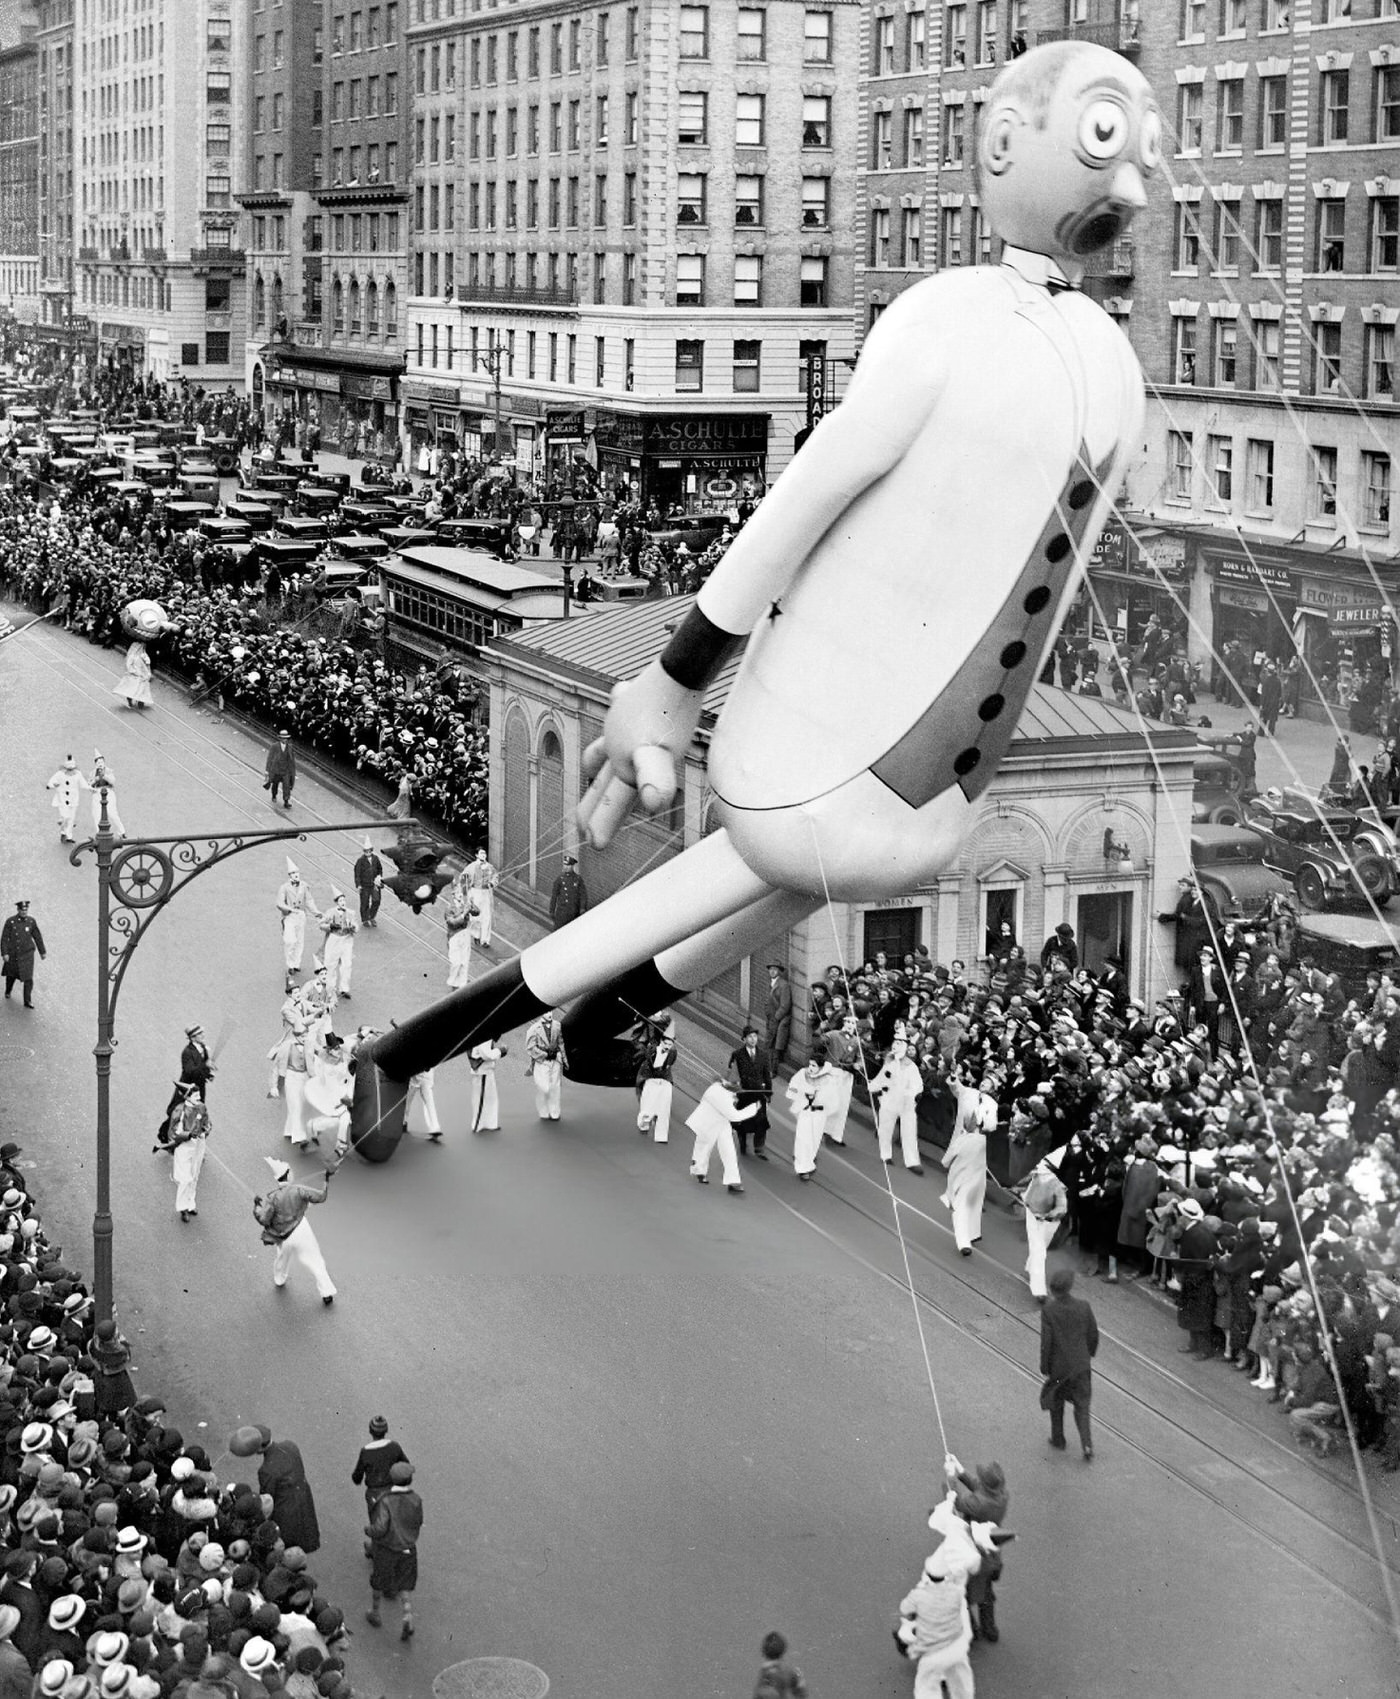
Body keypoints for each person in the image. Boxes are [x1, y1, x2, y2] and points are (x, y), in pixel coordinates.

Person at [252, 1159, 338, 1306]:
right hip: (302, 1229)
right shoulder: (298, 1189)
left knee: (281, 1259)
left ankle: (279, 1279)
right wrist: (327, 1179)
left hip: (283, 1237)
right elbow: (321, 1197)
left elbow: (263, 1220)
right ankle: (327, 1292)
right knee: (316, 1261)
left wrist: (257, 1207)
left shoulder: (271, 1197)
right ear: (288, 1174)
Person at [228, 1423, 322, 1552]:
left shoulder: (266, 1470)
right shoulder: (289, 1445)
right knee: (305, 1528)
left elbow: (268, 1497)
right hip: (302, 1496)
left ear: (259, 1449)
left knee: (288, 1537)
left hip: (285, 1507)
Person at [1039, 1267, 1099, 1460]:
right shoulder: (1084, 1306)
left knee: (1056, 1402)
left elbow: (1046, 1342)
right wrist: (1088, 1354)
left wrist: (1045, 1366)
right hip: (1081, 1366)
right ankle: (1087, 1445)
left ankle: (1058, 1439)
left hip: (1059, 1368)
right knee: (1082, 1405)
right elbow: (1093, 1334)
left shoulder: (1049, 1310)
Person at [366, 1461, 423, 1642]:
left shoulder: (386, 1500)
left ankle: (375, 1613)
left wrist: (369, 1530)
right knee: (404, 1584)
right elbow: (418, 1521)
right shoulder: (416, 1499)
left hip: (387, 1549)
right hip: (408, 1548)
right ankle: (407, 1616)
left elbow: (381, 1527)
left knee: (378, 1581)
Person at [942, 1074, 993, 1254]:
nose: (984, 1083)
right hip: (961, 1149)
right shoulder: (968, 1092)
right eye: (984, 1080)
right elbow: (956, 1088)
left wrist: (983, 1120)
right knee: (962, 1199)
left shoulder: (991, 1104)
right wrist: (954, 1078)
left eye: (989, 1083)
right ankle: (967, 1235)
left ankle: (965, 1240)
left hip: (974, 1169)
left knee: (967, 1201)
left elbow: (991, 1125)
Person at [686, 1080, 758, 1193]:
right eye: (737, 1086)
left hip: (721, 1122)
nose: (738, 1088)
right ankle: (699, 1169)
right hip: (709, 1121)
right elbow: (735, 1116)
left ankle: (733, 1180)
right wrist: (754, 1108)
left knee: (728, 1150)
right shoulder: (720, 1095)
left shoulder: (718, 1088)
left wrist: (734, 1098)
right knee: (704, 1146)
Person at [870, 1035, 924, 1172]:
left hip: (906, 1104)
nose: (895, 1045)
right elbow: (881, 1079)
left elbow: (918, 1086)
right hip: (889, 1100)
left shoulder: (911, 1067)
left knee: (909, 1131)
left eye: (899, 1043)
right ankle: (885, 1155)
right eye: (894, 1042)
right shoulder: (889, 1063)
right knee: (885, 1128)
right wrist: (873, 1086)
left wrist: (908, 1094)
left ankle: (912, 1161)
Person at [1021, 1157, 1068, 1301]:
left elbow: (1062, 1207)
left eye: (1043, 1163)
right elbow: (1023, 1185)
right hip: (1032, 1215)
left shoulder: (1057, 1185)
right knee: (1039, 1251)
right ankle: (1039, 1289)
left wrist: (1049, 1216)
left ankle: (1030, 1266)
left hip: (1048, 1222)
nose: (1039, 1164)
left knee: (1040, 1247)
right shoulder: (1036, 1176)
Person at [352, 1415, 411, 1526]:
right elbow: (406, 1466)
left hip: (375, 1494)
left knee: (377, 1524)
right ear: (386, 1430)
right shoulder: (394, 1446)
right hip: (393, 1491)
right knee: (397, 1524)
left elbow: (357, 1478)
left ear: (370, 1431)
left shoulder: (366, 1452)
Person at [165, 1082, 211, 1222]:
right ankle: (182, 1207)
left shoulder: (201, 1107)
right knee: (185, 1178)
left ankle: (191, 1203)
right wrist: (187, 1136)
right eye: (195, 1095)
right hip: (184, 1146)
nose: (198, 1097)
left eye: (198, 1094)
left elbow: (207, 1123)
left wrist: (205, 1130)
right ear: (188, 1096)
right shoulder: (180, 1110)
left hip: (198, 1144)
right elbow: (173, 1133)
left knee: (195, 1175)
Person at [726, 1026, 774, 1159]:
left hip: (759, 1093)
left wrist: (768, 1093)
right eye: (750, 1037)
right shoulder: (737, 1055)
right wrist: (733, 1091)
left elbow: (767, 1075)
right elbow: (732, 1074)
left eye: (755, 1037)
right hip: (744, 1094)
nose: (753, 1040)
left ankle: (759, 1148)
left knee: (761, 1121)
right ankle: (742, 1142)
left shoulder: (763, 1055)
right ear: (744, 1039)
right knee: (743, 1121)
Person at [787, 1055, 834, 1180]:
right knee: (803, 1137)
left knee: (814, 1138)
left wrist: (817, 1094)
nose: (810, 1068)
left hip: (819, 1113)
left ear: (821, 1067)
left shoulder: (828, 1079)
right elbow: (792, 1087)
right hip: (806, 1111)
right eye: (810, 1065)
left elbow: (831, 1098)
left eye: (814, 1065)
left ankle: (807, 1160)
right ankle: (802, 1168)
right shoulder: (802, 1074)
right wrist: (804, 1093)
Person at [276, 861, 320, 992]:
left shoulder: (304, 886)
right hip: (290, 916)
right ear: (289, 875)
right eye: (293, 873)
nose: (296, 875)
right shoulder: (284, 888)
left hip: (301, 915)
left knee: (300, 940)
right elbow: (279, 902)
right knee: (290, 941)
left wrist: (316, 912)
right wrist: (288, 908)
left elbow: (309, 901)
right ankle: (289, 964)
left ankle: (296, 963)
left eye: (297, 873)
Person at [635, 1017, 679, 1142]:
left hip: (665, 1079)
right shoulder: (652, 1049)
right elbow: (654, 1065)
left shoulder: (673, 1052)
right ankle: (644, 1123)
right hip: (649, 1078)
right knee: (648, 1108)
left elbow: (669, 1064)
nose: (668, 1047)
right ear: (661, 1041)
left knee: (664, 1108)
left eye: (670, 1045)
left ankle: (661, 1136)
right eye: (666, 1044)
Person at [821, 1013, 862, 1145]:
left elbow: (860, 1058)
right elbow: (821, 1041)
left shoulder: (856, 1041)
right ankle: (821, 1128)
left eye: (853, 1023)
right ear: (844, 1023)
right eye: (848, 1022)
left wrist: (858, 1065)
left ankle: (835, 1134)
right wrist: (822, 1032)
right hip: (832, 1071)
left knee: (842, 1105)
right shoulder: (833, 1034)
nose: (850, 1026)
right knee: (828, 1102)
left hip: (846, 1075)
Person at [523, 1008, 567, 1120]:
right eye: (546, 1012)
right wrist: (544, 1054)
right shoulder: (533, 1029)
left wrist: (564, 1059)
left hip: (555, 1060)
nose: (549, 1014)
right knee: (544, 1088)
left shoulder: (557, 1026)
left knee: (555, 1087)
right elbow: (530, 1048)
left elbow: (561, 1043)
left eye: (550, 1011)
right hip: (542, 1061)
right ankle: (543, 1110)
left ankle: (555, 1112)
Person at [1, 901, 45, 1008]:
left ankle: (27, 1001)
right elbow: (4, 939)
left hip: (27, 955)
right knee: (11, 975)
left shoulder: (31, 921)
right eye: (22, 910)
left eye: (26, 910)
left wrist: (42, 951)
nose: (24, 912)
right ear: (18, 910)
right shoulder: (10, 922)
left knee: (28, 978)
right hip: (14, 954)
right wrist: (5, 953)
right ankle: (8, 990)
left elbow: (37, 936)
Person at [318, 890, 358, 1000]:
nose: (343, 902)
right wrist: (330, 926)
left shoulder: (350, 913)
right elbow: (321, 924)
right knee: (330, 964)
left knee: (347, 964)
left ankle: (344, 988)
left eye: (344, 900)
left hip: (346, 939)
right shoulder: (330, 912)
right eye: (340, 900)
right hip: (334, 939)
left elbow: (356, 925)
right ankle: (330, 988)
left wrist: (353, 928)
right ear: (336, 902)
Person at [45, 754, 89, 844]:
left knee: (71, 818)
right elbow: (51, 782)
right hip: (62, 799)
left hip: (73, 799)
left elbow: (83, 784)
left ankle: (69, 836)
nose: (70, 771)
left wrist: (91, 788)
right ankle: (63, 832)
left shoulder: (78, 774)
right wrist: (52, 785)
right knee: (66, 816)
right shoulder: (60, 774)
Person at [752, 1629, 808, 1698]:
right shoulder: (790, 1671)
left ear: (764, 1651)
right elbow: (801, 1692)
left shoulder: (766, 1672)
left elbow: (761, 1694)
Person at [444, 878, 476, 990]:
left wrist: (472, 904)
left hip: (465, 933)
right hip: (454, 936)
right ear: (454, 895)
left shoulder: (465, 904)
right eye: (458, 894)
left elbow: (477, 912)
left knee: (464, 961)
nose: (461, 896)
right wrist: (464, 914)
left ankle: (462, 982)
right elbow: (452, 923)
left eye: (462, 894)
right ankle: (453, 981)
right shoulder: (449, 908)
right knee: (456, 962)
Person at [469, 1039, 506, 1131]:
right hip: (483, 1071)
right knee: (481, 1099)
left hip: (486, 1070)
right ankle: (477, 1124)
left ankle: (490, 1124)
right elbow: (486, 1055)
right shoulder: (484, 1036)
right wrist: (501, 1051)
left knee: (490, 1098)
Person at [465, 848, 499, 947]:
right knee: (475, 917)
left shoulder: (490, 867)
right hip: (475, 893)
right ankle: (476, 935)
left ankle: (485, 940)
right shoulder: (471, 867)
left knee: (487, 917)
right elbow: (464, 879)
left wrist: (492, 883)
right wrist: (467, 894)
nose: (483, 855)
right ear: (476, 855)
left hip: (486, 893)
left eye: (484, 853)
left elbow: (495, 877)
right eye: (481, 853)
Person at [89, 750, 127, 839]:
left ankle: (121, 832)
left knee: (112, 812)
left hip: (108, 791)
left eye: (101, 762)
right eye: (98, 762)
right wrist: (95, 780)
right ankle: (99, 833)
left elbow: (113, 782)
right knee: (96, 814)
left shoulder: (109, 771)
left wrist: (104, 776)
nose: (100, 764)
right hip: (97, 793)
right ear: (95, 764)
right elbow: (89, 785)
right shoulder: (92, 773)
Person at [548, 854, 588, 928]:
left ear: (572, 866)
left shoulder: (578, 879)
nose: (566, 867)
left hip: (573, 912)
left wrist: (582, 908)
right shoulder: (560, 879)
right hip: (561, 913)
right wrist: (552, 910)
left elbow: (583, 895)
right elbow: (554, 896)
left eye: (568, 865)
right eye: (565, 865)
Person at [112, 639, 153, 709]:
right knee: (132, 688)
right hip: (134, 675)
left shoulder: (144, 656)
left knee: (142, 689)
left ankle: (141, 701)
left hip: (143, 676)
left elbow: (147, 666)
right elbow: (129, 666)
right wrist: (134, 672)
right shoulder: (132, 656)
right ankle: (130, 700)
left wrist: (148, 671)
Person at [765, 963, 793, 1065]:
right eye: (771, 969)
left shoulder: (783, 985)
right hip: (770, 1017)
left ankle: (772, 1069)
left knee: (774, 1043)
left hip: (779, 1018)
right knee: (769, 1042)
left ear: (779, 971)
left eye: (775, 969)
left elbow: (785, 1006)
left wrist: (776, 1017)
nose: (772, 971)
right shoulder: (770, 983)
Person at [353, 838, 384, 928]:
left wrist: (379, 877)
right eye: (366, 851)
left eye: (369, 851)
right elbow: (357, 873)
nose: (367, 852)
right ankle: (365, 919)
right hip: (365, 885)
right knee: (364, 903)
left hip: (374, 884)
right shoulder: (360, 861)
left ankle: (371, 916)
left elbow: (380, 869)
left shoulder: (375, 859)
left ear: (371, 850)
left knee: (376, 901)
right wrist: (358, 885)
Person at [406, 1069, 442, 1141]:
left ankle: (403, 1121)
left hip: (416, 1073)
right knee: (429, 1101)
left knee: (408, 1098)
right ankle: (434, 1127)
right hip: (427, 1072)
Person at [264, 728, 297, 808]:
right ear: (280, 738)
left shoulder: (290, 747)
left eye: (286, 738)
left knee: (286, 786)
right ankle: (274, 795)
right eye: (283, 738)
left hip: (286, 771)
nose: (284, 740)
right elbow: (270, 758)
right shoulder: (274, 746)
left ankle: (286, 801)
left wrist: (293, 772)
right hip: (276, 770)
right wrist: (267, 770)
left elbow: (292, 760)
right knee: (275, 784)